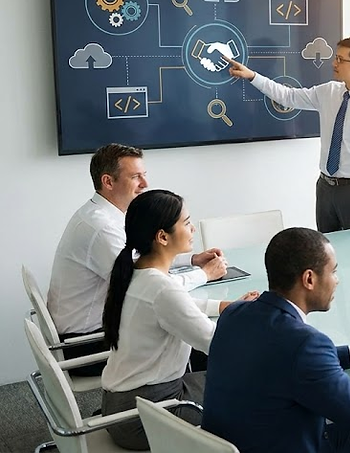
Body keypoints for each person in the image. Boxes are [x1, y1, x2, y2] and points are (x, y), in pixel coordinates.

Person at [202, 227, 350, 453]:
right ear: (309, 279)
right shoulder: (306, 344)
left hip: (247, 442)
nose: (337, 281)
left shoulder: (234, 314)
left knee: (348, 428)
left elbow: (281, 358)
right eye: (333, 272)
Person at [48, 143, 226, 376]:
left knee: (188, 324)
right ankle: (176, 405)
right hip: (85, 344)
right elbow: (144, 284)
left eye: (144, 175)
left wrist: (192, 259)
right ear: (108, 182)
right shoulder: (101, 228)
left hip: (98, 328)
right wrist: (204, 274)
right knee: (191, 337)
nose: (145, 184)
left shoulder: (103, 215)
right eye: (136, 177)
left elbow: (140, 260)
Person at [100, 190, 257, 450]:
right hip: (146, 416)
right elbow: (218, 345)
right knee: (258, 389)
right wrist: (263, 328)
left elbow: (177, 307)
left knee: (234, 379)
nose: (193, 228)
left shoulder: (138, 273)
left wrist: (227, 306)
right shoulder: (162, 288)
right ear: (162, 237)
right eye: (186, 223)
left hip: (123, 405)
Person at [226, 36, 350, 233]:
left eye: (340, 59)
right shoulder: (328, 92)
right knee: (325, 252)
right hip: (325, 188)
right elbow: (288, 96)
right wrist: (252, 75)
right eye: (335, 57)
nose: (334, 63)